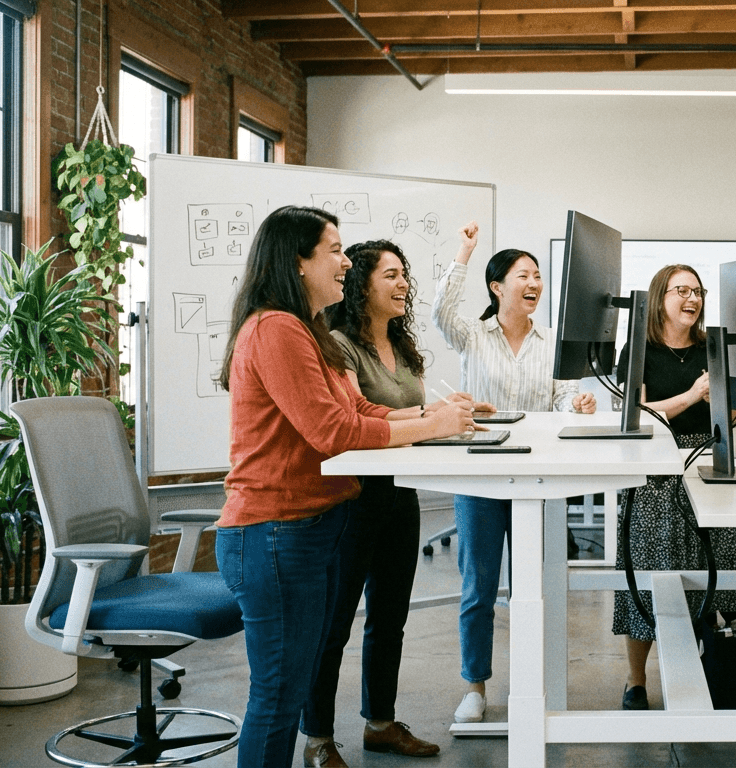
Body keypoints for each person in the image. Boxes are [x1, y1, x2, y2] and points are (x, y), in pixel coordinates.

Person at [215, 206, 475, 768]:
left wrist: (432, 417)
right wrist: (431, 426)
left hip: (308, 528)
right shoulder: (276, 328)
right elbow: (334, 432)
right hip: (276, 532)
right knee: (278, 698)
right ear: (297, 261)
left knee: (288, 688)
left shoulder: (307, 331)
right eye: (334, 250)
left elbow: (358, 409)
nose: (345, 263)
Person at [300, 240, 478, 767]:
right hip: (354, 500)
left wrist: (440, 410)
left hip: (400, 494)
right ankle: (317, 738)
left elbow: (397, 411)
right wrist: (432, 421)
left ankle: (380, 723)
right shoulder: (339, 344)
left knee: (389, 618)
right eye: (391, 275)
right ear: (362, 285)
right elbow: (355, 417)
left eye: (404, 275)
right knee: (334, 624)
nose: (403, 285)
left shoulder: (400, 345)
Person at [432, 220, 597, 726]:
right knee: (478, 587)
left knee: (534, 588)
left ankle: (533, 682)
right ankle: (475, 687)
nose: (534, 284)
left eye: (538, 276)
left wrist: (576, 403)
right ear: (497, 287)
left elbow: (561, 396)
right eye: (523, 275)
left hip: (536, 478)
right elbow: (440, 311)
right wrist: (464, 252)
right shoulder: (471, 336)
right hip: (480, 475)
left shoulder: (552, 342)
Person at [612, 263, 736, 711]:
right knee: (648, 577)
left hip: (708, 464)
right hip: (654, 472)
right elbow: (636, 414)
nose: (692, 299)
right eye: (681, 290)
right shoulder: (639, 350)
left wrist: (722, 398)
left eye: (698, 291)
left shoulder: (712, 348)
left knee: (710, 573)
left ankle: (706, 674)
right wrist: (690, 396)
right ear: (659, 298)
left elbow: (734, 413)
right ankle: (636, 680)